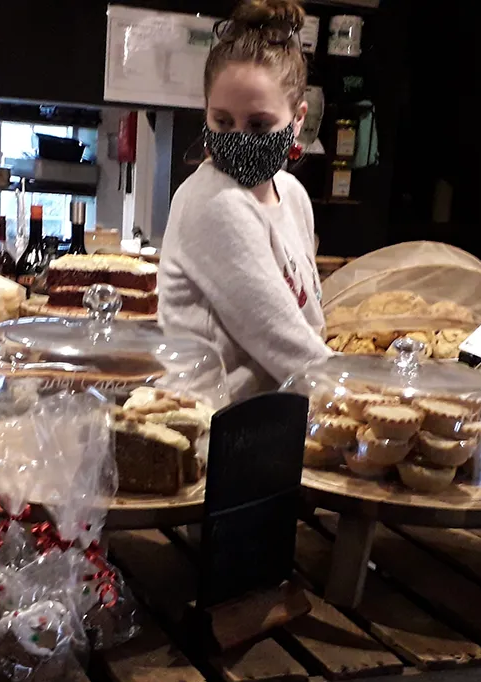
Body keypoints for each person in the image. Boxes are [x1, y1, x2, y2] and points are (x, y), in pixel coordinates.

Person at [159, 0, 332, 400]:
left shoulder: (293, 196)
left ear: (298, 119)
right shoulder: (213, 202)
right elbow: (290, 347)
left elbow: (311, 325)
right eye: (222, 121)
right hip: (213, 433)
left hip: (278, 419)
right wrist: (367, 395)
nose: (238, 137)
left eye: (258, 124)